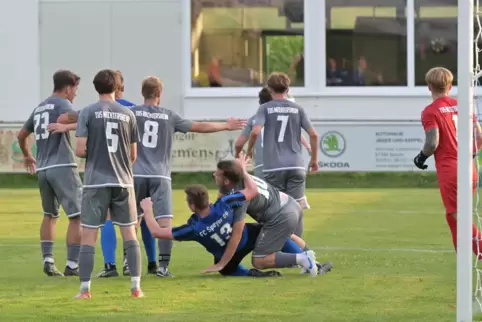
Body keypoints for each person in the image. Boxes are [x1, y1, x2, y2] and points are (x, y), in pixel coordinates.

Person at [128, 76, 247, 277]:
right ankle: (163, 268)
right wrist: (226, 126)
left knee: (132, 222)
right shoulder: (169, 116)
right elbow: (199, 127)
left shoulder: (131, 114)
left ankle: (129, 263)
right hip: (160, 176)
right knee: (164, 221)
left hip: (135, 173)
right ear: (159, 94)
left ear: (143, 93)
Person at [141, 155, 319, 277]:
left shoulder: (195, 228)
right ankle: (307, 254)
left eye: (217, 174)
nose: (214, 175)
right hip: (287, 204)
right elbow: (252, 190)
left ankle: (301, 259)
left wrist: (148, 210)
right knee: (271, 233)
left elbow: (157, 232)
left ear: (192, 206)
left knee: (254, 261)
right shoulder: (226, 202)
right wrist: (243, 170)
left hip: (276, 217)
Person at [73, 69, 142, 299]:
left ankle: (84, 291)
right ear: (117, 87)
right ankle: (136, 288)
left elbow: (80, 150)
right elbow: (133, 155)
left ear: (96, 87)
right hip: (123, 180)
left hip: (96, 182)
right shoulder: (128, 114)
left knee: (90, 235)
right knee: (130, 233)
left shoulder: (87, 112)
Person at [208, 159, 332, 276]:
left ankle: (304, 259)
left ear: (227, 181)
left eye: (218, 174)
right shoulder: (241, 179)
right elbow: (223, 195)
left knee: (259, 260)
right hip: (291, 205)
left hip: (282, 215)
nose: (214, 174)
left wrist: (222, 264)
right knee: (282, 237)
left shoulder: (239, 196)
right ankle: (314, 263)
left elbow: (237, 234)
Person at [17, 70, 82, 277]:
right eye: (75, 90)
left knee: (50, 215)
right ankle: (72, 265)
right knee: (77, 215)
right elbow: (86, 118)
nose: (75, 95)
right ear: (68, 88)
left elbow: (22, 134)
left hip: (43, 169)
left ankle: (48, 260)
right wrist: (70, 125)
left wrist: (28, 155)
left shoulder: (39, 108)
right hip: (62, 165)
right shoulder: (63, 104)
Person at [413, 67, 482, 258]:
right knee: (455, 217)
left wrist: (421, 157)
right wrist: (472, 154)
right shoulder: (462, 106)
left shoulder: (430, 111)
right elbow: (479, 134)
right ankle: (463, 260)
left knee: (458, 217)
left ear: (429, 87)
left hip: (451, 171)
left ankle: (478, 253)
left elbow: (432, 142)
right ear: (450, 86)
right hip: (469, 169)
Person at [97, 70, 156, 278]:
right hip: (136, 170)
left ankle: (110, 265)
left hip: (107, 171)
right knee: (138, 218)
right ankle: (147, 262)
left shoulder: (98, 110)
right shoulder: (134, 109)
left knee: (108, 217)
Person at [247, 73, 318, 217]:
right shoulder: (298, 109)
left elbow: (254, 133)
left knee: (277, 210)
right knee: (296, 209)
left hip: (274, 166)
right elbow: (314, 135)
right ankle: (297, 239)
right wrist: (314, 159)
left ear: (270, 89)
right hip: (297, 165)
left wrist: (249, 151)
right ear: (288, 90)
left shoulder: (264, 108)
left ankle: (279, 238)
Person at [235, 87, 312, 182]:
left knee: (266, 195)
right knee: (292, 196)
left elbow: (238, 144)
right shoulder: (283, 116)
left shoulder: (253, 120)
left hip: (262, 166)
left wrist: (239, 156)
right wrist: (308, 146)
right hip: (285, 164)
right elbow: (294, 132)